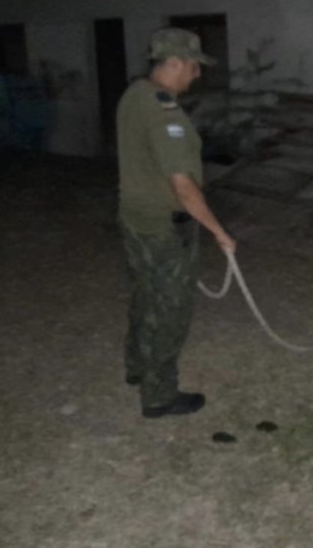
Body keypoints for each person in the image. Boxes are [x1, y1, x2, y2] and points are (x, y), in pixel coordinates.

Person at [116, 27, 236, 418]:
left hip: (134, 217)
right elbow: (182, 186)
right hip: (163, 227)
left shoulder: (134, 95)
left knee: (145, 296)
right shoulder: (163, 112)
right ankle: (159, 394)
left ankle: (137, 367)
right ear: (174, 63)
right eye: (194, 67)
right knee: (169, 310)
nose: (197, 75)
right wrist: (219, 232)